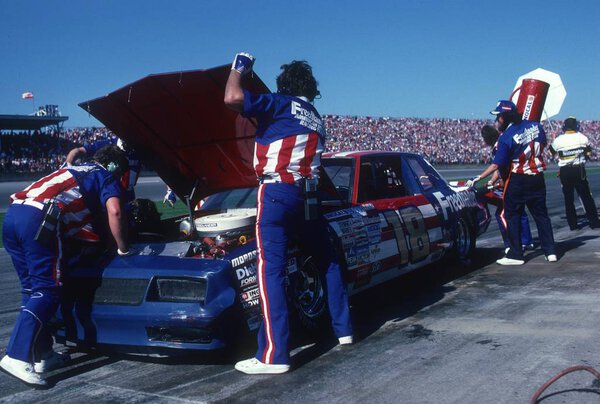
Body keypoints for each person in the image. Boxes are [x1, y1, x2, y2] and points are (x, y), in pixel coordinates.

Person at [224, 52, 353, 374]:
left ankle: (274, 355)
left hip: (278, 191)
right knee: (328, 259)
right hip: (308, 194)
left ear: (284, 86)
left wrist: (238, 68)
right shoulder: (315, 116)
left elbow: (231, 97)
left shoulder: (279, 103)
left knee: (271, 270)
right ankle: (344, 329)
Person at [0, 145, 134, 387]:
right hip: (40, 220)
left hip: (13, 215)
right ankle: (16, 355)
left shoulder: (73, 168)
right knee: (48, 289)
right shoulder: (104, 174)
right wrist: (123, 248)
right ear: (115, 167)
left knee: (31, 290)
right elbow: (114, 211)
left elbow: (70, 161)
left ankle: (42, 353)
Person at [468, 100, 556, 265]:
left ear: (503, 118)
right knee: (541, 216)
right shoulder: (536, 126)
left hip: (518, 178)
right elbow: (543, 143)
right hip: (537, 176)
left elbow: (497, 164)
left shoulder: (506, 137)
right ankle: (550, 251)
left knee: (512, 214)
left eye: (498, 117)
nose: (497, 121)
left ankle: (516, 255)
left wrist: (479, 178)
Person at [480, 125, 534, 252]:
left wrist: (480, 178)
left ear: (487, 138)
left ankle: (512, 243)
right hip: (520, 178)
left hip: (514, 180)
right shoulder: (500, 144)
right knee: (521, 212)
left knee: (503, 213)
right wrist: (491, 181)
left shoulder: (499, 146)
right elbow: (500, 168)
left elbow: (497, 166)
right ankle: (526, 241)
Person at [549, 116, 600, 230]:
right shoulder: (582, 138)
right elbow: (589, 154)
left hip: (565, 171)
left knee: (568, 199)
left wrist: (555, 141)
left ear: (564, 127)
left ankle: (573, 225)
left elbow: (550, 153)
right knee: (586, 197)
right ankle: (594, 222)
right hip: (578, 169)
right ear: (576, 126)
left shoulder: (558, 140)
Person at [66, 137, 140, 204]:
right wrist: (68, 164)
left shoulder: (138, 149)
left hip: (128, 193)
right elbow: (77, 150)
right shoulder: (107, 144)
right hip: (110, 191)